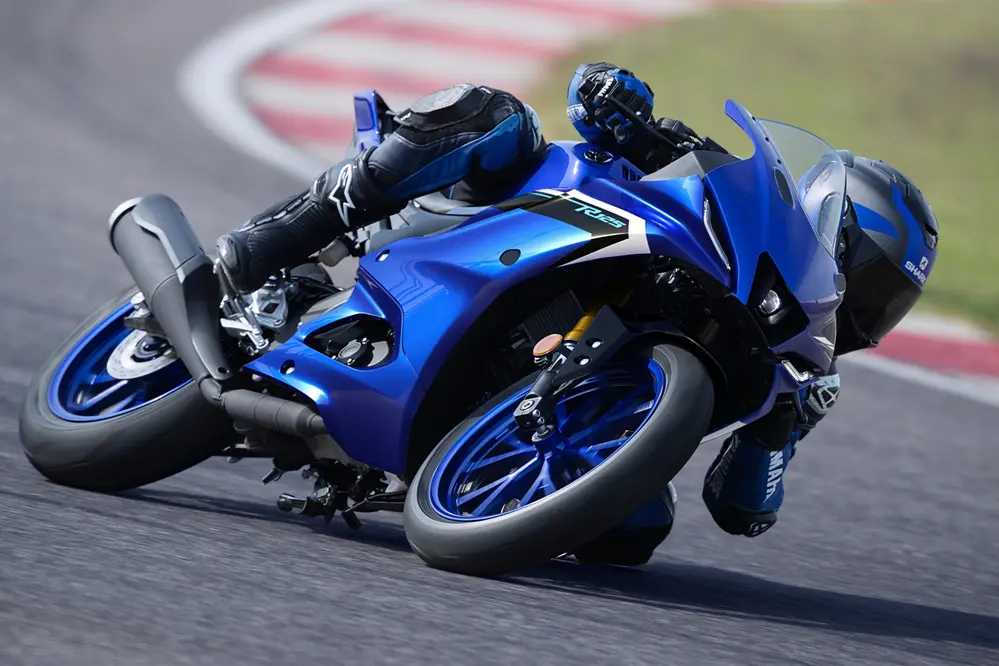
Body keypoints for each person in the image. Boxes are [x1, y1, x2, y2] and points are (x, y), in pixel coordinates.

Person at [216, 63, 939, 565]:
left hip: (574, 417)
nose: (865, 308)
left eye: (885, 305)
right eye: (866, 275)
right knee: (494, 114)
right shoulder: (724, 195)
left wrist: (783, 428)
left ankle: (461, 471)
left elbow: (741, 510)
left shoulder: (795, 375)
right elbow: (596, 99)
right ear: (825, 216)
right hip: (517, 222)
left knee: (634, 534)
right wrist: (618, 101)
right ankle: (285, 234)